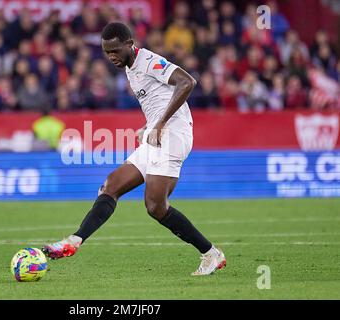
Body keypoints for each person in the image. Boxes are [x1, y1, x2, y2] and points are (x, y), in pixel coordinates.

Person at [42, 22, 226, 276]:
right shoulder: (129, 67)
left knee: (155, 206)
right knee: (111, 185)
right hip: (157, 132)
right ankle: (74, 241)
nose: (112, 57)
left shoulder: (148, 61)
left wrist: (160, 123)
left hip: (173, 134)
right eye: (107, 53)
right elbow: (158, 99)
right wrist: (149, 125)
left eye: (116, 51)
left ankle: (211, 254)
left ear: (130, 44)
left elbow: (187, 82)